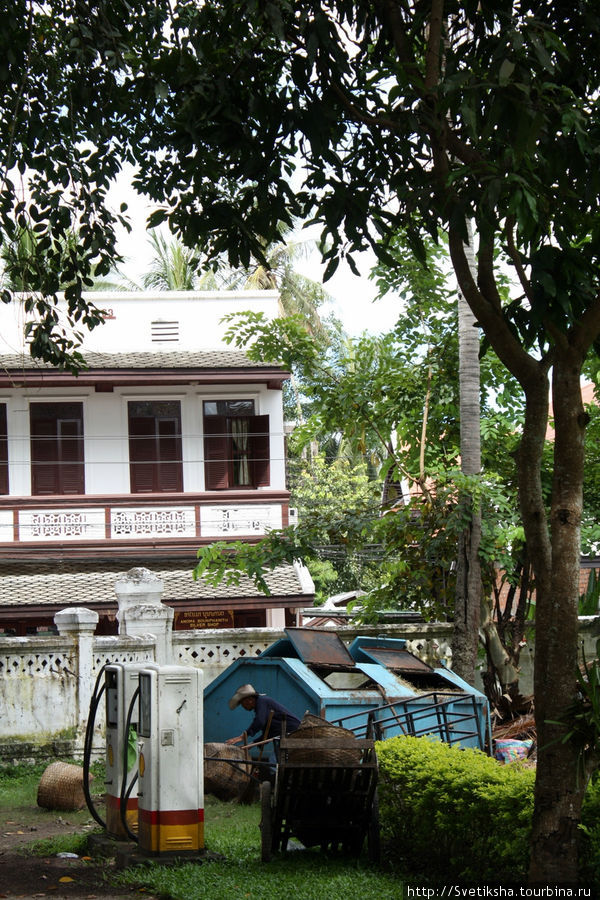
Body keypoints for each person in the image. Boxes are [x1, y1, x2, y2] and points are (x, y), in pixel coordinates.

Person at [225, 683, 301, 746]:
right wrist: (251, 744)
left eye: (242, 703)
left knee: (274, 761)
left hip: (293, 733)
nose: (243, 706)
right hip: (287, 734)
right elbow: (268, 733)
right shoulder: (262, 707)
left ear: (249, 700)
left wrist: (243, 737)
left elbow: (259, 721)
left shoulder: (262, 701)